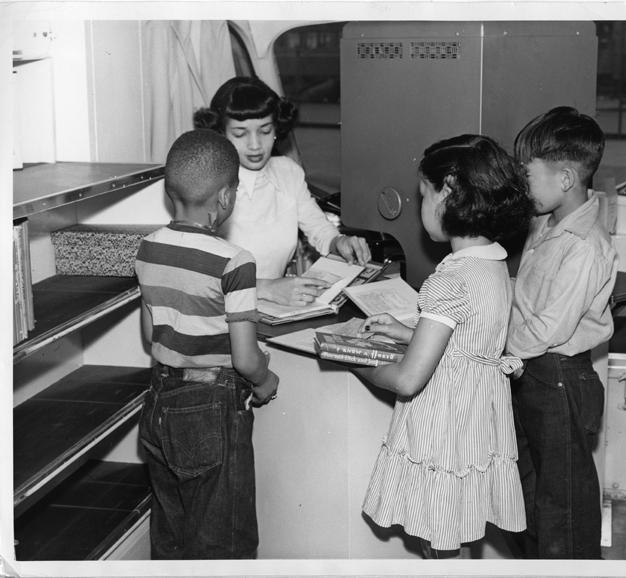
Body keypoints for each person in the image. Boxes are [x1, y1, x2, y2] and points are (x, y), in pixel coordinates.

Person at [352, 134, 534, 558]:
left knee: (436, 533)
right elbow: (467, 337)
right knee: (461, 520)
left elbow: (408, 379)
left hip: (445, 422)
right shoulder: (493, 260)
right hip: (475, 416)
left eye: (423, 194)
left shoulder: (448, 280)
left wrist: (354, 357)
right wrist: (405, 332)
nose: (419, 207)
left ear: (449, 192)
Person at [135, 129, 280, 559]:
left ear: (169, 190)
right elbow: (246, 358)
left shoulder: (148, 248)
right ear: (226, 198)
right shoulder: (234, 261)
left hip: (159, 400)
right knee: (223, 545)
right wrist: (266, 379)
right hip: (211, 410)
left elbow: (150, 334)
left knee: (172, 537)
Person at [507, 106, 618, 559]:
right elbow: (525, 295)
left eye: (527, 175)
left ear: (566, 178)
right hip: (533, 374)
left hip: (561, 380)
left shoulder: (585, 247)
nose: (522, 185)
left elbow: (550, 327)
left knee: (563, 509)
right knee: (529, 495)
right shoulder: (545, 223)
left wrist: (492, 346)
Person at [194, 76, 371, 308]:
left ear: (277, 129)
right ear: (221, 133)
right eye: (240, 134)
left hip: (275, 307)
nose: (256, 144)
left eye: (265, 131)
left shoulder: (289, 173)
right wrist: (266, 289)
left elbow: (319, 229)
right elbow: (197, 273)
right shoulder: (204, 184)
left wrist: (339, 242)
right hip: (219, 309)